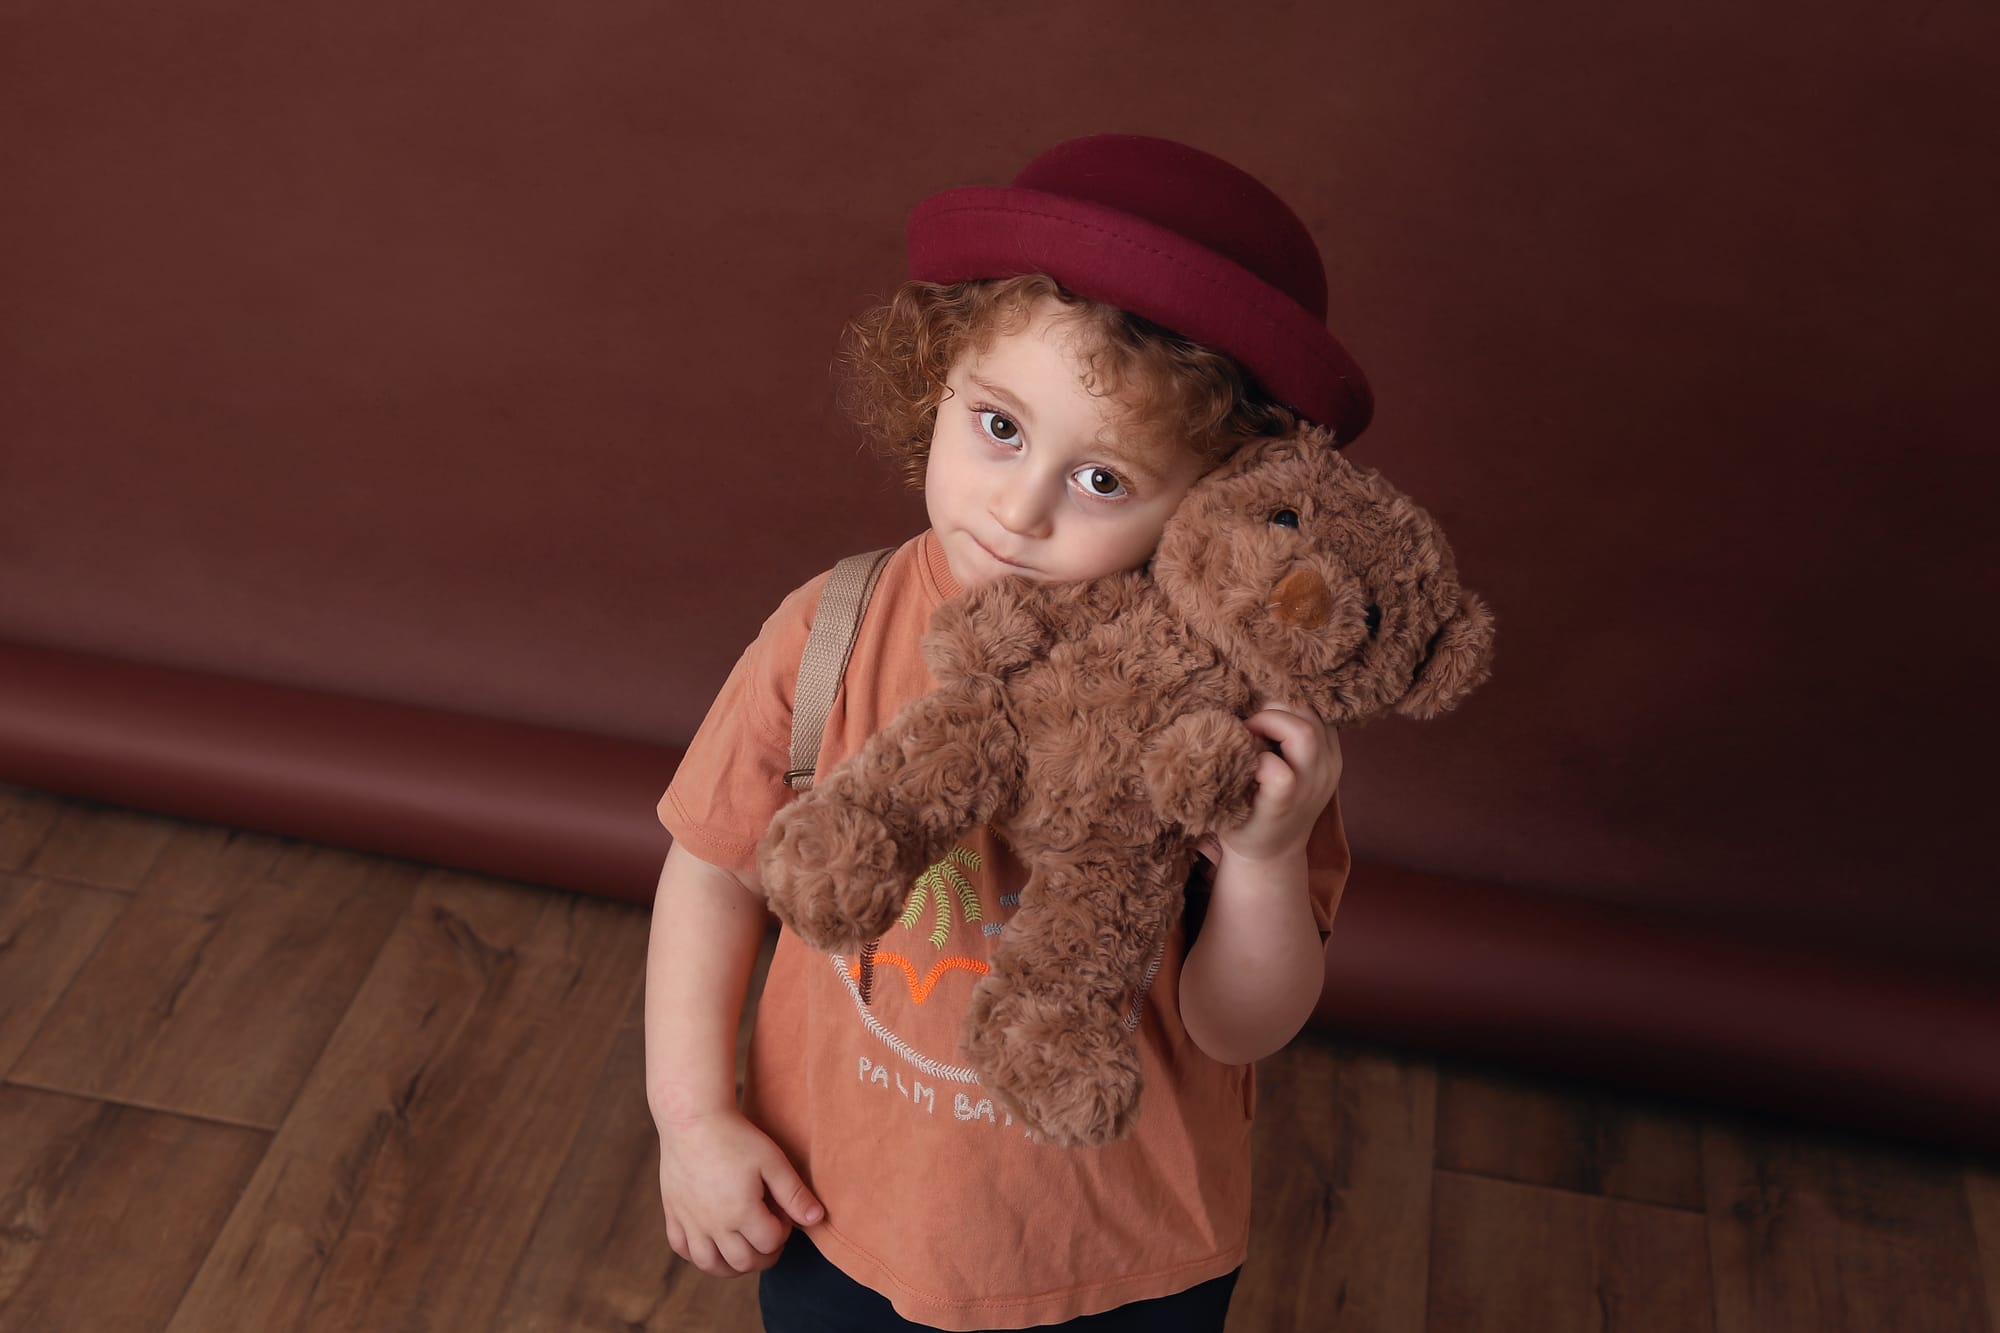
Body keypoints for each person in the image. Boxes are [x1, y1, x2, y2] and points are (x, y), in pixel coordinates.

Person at [645, 133, 1373, 1332]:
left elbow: (1239, 1024)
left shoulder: (1234, 719)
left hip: (1123, 1251)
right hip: (839, 1204)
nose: (1020, 507)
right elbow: (716, 867)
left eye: (1103, 481)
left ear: (1216, 502)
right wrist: (691, 1117)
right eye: (998, 426)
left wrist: (1264, 855)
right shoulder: (834, 628)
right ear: (937, 377)